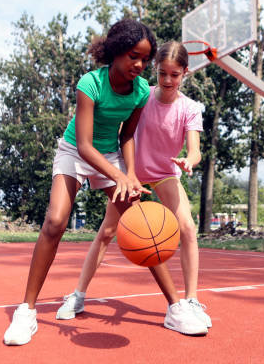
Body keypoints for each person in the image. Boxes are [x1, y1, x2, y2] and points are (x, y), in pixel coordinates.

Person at [3, 23, 208, 346]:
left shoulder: (140, 91)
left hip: (110, 154)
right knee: (55, 221)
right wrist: (121, 177)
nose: (138, 65)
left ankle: (175, 307)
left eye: (144, 59)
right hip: (75, 152)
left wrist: (128, 173)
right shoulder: (91, 83)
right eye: (132, 57)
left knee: (143, 223)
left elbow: (127, 135)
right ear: (115, 52)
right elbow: (84, 145)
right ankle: (26, 310)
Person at [56, 40, 212, 328]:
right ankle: (78, 295)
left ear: (185, 73)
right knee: (106, 232)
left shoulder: (190, 108)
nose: (167, 80)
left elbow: (195, 149)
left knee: (188, 228)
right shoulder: (142, 95)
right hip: (132, 174)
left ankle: (190, 301)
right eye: (162, 73)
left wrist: (190, 160)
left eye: (174, 75)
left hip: (166, 174)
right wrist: (125, 173)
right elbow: (123, 132)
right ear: (155, 70)